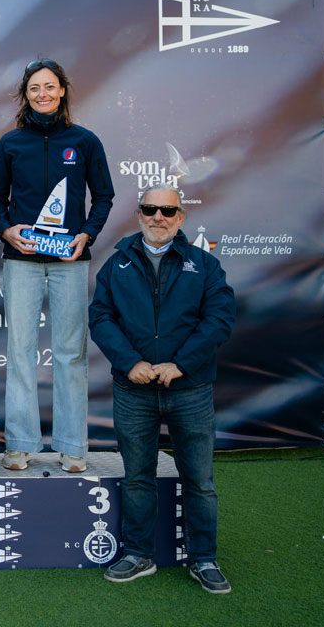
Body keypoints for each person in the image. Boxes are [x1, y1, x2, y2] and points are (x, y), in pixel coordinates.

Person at [88, 183, 235, 594]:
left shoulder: (204, 265)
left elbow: (218, 320)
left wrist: (181, 364)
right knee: (137, 477)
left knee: (200, 480)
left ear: (181, 217)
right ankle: (138, 554)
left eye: (168, 212)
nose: (158, 218)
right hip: (133, 390)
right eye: (150, 209)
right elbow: (101, 318)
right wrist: (130, 362)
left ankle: (204, 558)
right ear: (139, 214)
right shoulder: (116, 264)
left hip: (190, 389)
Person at [0, 59, 114, 473]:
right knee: (20, 351)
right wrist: (6, 231)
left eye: (50, 87)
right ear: (26, 95)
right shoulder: (11, 143)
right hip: (20, 260)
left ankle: (73, 446)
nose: (42, 94)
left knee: (70, 354)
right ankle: (20, 444)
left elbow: (105, 196)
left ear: (62, 91)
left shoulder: (85, 141)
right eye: (34, 88)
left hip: (69, 262)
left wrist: (87, 234)